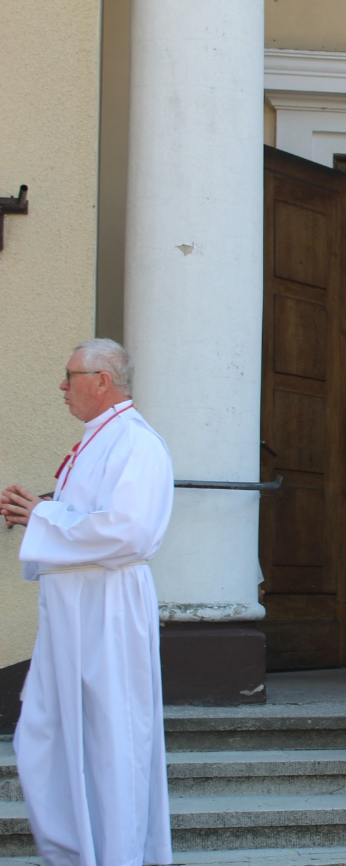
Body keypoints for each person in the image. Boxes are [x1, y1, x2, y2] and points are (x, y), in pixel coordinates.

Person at [0, 338, 172, 866]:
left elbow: (130, 530)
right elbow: (91, 517)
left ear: (102, 381)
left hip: (108, 609)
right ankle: (76, 854)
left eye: (69, 375)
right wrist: (41, 512)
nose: (61, 386)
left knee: (110, 740)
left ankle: (116, 855)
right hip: (73, 611)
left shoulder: (137, 444)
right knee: (46, 736)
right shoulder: (100, 439)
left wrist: (43, 517)